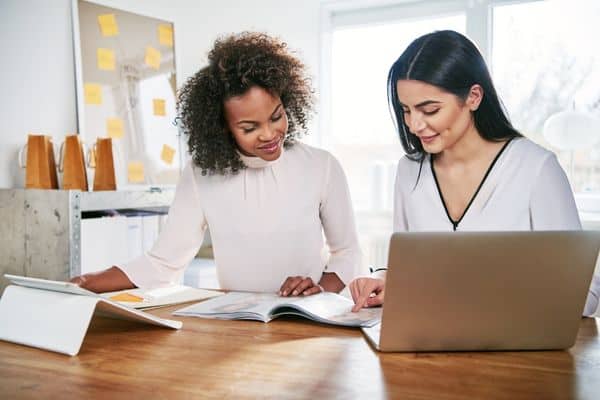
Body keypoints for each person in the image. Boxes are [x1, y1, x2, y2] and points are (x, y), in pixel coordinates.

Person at [72, 32, 364, 297]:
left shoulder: (321, 166)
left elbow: (348, 253)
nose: (269, 134)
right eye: (249, 128)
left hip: (308, 321)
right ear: (222, 127)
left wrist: (316, 292)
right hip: (239, 326)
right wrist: (86, 282)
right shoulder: (201, 174)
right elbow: (163, 263)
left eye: (276, 116)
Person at [349, 30, 599, 315]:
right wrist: (384, 278)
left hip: (513, 349)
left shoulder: (536, 168)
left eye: (429, 110)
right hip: (428, 345)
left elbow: (586, 293)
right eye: (405, 110)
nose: (414, 125)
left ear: (474, 97)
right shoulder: (409, 171)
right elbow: (408, 267)